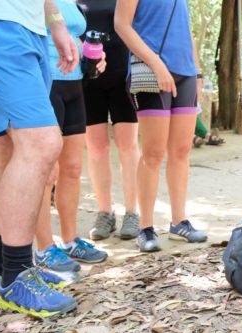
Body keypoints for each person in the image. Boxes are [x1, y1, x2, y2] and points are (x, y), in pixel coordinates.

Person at [0, 0, 79, 317]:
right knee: (41, 142)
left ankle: (1, 271)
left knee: (4, 149)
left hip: (28, 27)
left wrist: (56, 25)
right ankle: (17, 275)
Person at [115, 0, 207, 252]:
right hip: (149, 68)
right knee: (153, 153)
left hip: (185, 70)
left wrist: (197, 73)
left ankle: (179, 222)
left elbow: (185, 27)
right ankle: (145, 228)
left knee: (181, 151)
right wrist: (156, 63)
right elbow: (121, 25)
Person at [34, 0, 109, 275]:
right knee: (47, 172)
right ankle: (44, 248)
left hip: (75, 85)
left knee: (73, 168)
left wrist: (94, 57)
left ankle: (70, 241)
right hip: (47, 83)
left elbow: (75, 35)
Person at [78, 0, 141, 242]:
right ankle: (105, 213)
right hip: (88, 76)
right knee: (96, 147)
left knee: (128, 146)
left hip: (123, 75)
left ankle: (132, 212)